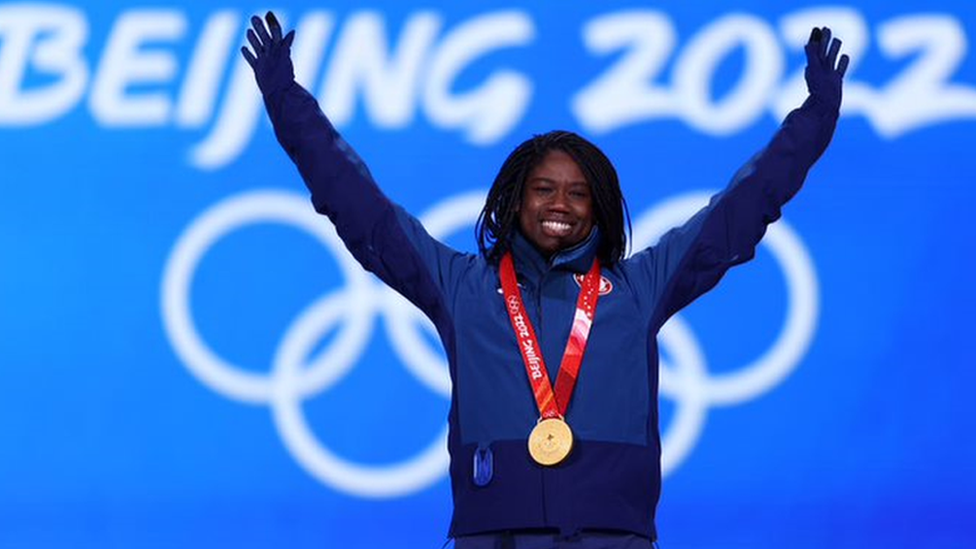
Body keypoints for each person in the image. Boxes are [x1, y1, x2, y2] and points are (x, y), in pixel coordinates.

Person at [242, 11, 849, 549]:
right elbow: (360, 209)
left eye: (579, 192)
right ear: (514, 202)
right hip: (492, 533)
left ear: (600, 207)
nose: (561, 203)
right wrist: (287, 104)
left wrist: (815, 119)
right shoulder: (462, 287)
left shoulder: (638, 292)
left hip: (613, 536)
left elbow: (741, 209)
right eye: (544, 189)